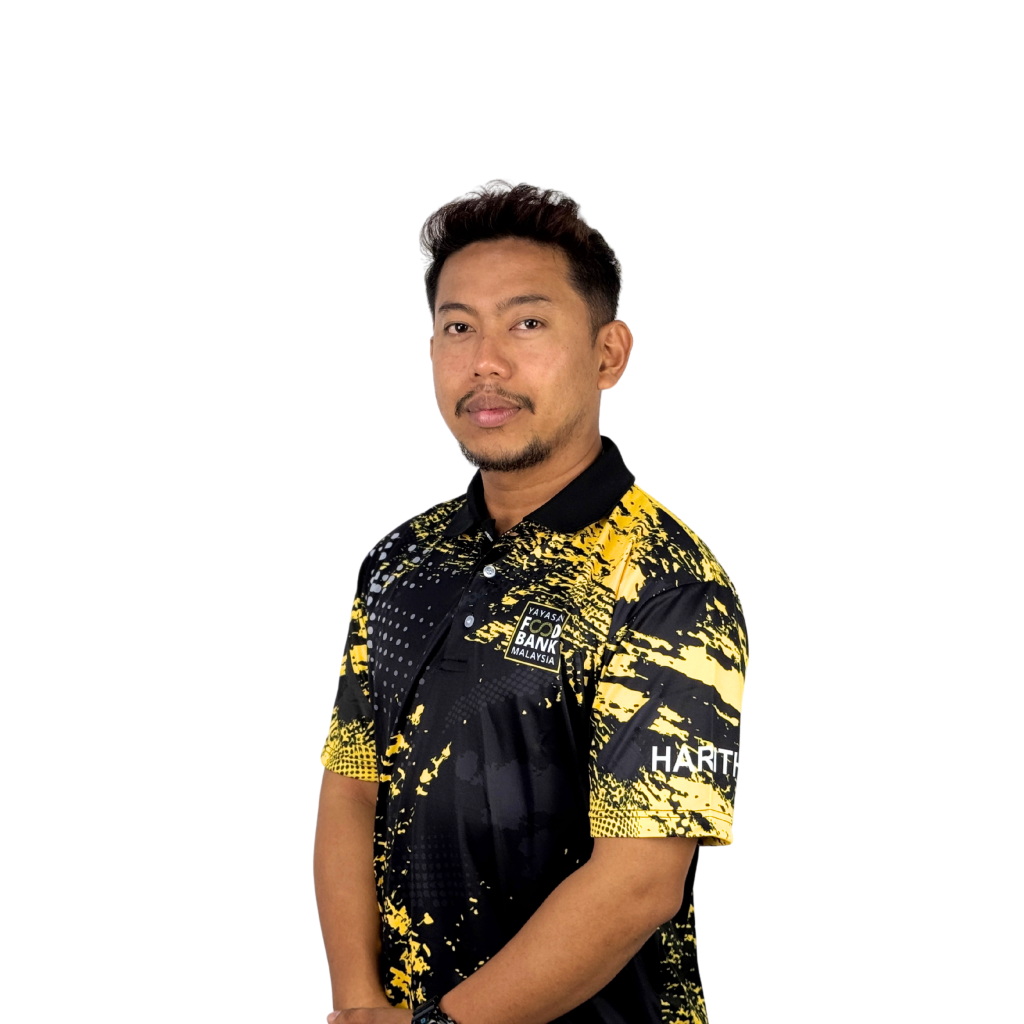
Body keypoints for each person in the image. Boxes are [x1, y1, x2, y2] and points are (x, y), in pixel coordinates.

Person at [313, 182, 748, 1024]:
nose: (486, 362)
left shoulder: (666, 584)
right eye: (458, 327)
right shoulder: (401, 561)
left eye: (528, 324)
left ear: (608, 353)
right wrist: (359, 1004)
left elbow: (640, 883)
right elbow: (352, 790)